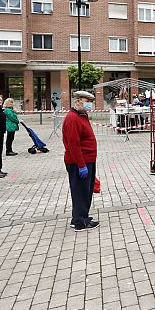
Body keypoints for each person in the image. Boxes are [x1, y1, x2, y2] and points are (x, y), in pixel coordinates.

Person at [63, 91, 99, 231]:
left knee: (85, 190)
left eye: (91, 101)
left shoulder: (82, 115)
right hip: (79, 161)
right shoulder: (73, 118)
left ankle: (79, 217)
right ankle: (80, 222)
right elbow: (73, 145)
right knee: (80, 191)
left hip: (87, 159)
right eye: (87, 101)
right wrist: (81, 165)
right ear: (78, 101)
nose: (90, 104)